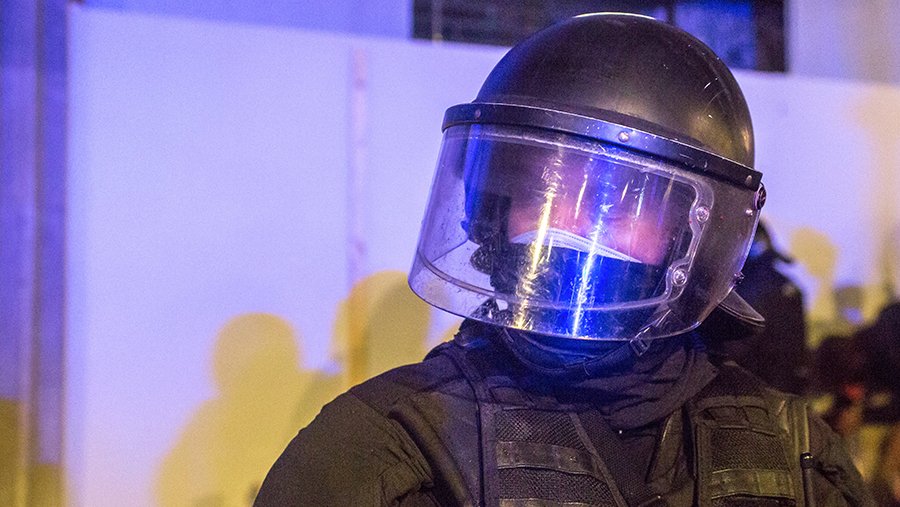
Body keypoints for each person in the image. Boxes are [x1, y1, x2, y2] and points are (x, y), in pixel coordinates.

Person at [256, 13, 873, 506]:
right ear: (490, 215)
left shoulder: (797, 458)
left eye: (616, 204)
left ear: (696, 240)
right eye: (538, 193)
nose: (567, 230)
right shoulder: (374, 456)